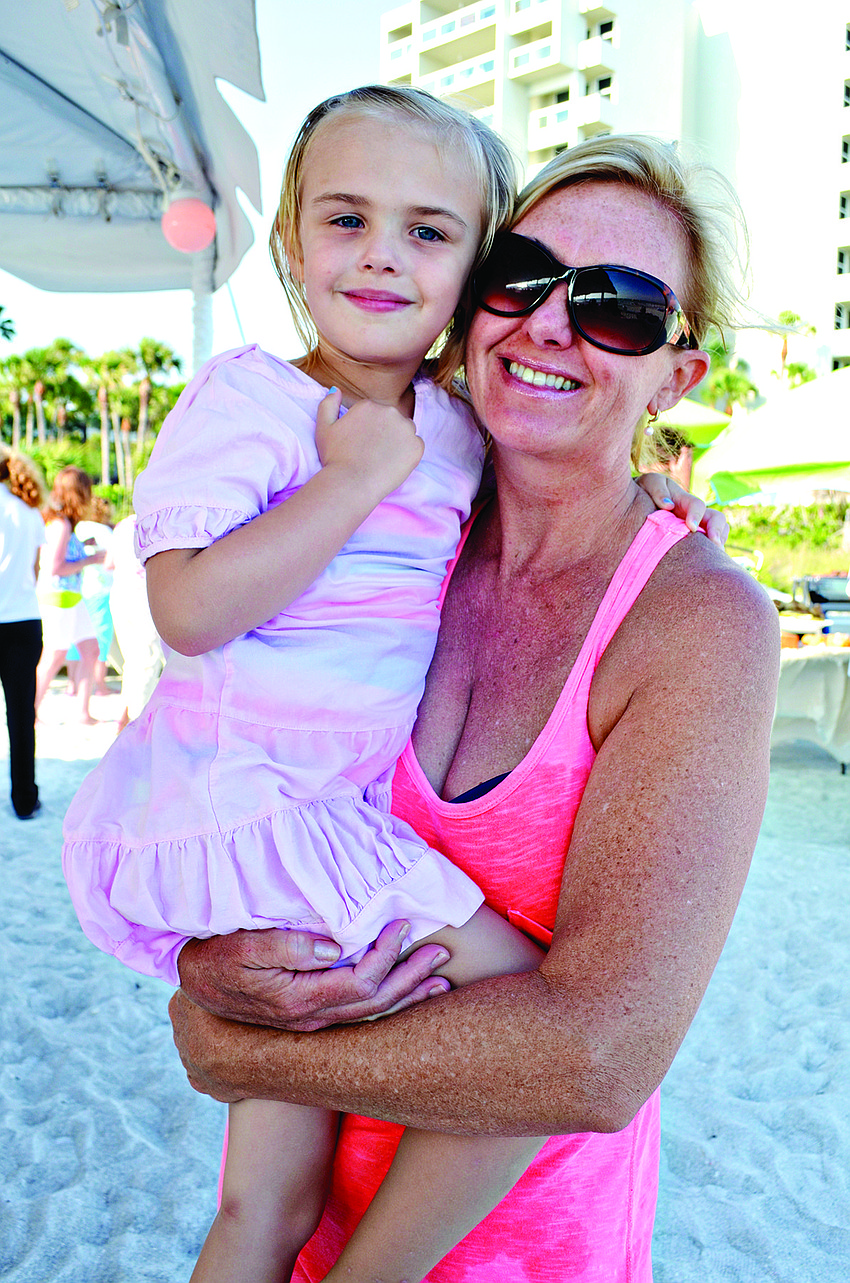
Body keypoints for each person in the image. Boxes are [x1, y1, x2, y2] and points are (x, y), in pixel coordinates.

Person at [63, 90, 716, 1283]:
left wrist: (242, 1047)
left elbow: (590, 1057)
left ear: (678, 371)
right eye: (527, 275)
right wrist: (350, 479)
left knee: (272, 1188)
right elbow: (194, 610)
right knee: (257, 1206)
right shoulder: (328, 428)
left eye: (620, 309)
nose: (378, 252)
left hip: (509, 1224)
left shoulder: (483, 461)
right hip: (273, 811)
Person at [34, 466, 105, 725]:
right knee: (54, 656)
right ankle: (30, 712)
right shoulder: (61, 524)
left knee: (91, 649)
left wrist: (83, 551)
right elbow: (55, 568)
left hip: (69, 598)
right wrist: (92, 559)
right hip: (59, 598)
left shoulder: (61, 522)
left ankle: (83, 712)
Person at [0, 445, 46, 819]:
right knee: (20, 717)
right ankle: (24, 799)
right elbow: (34, 570)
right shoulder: (30, 510)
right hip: (23, 621)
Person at [66, 495, 116, 699]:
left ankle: (71, 685)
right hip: (101, 590)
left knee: (74, 638)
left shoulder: (77, 527)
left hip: (79, 589)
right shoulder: (105, 531)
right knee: (101, 638)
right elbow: (111, 562)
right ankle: (100, 685)